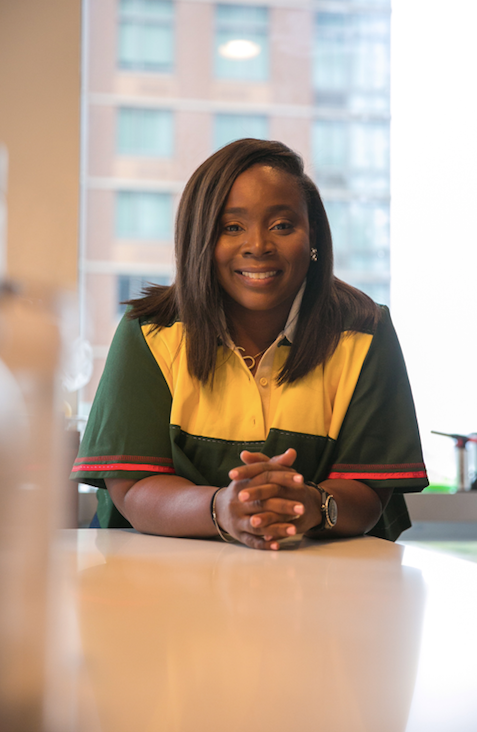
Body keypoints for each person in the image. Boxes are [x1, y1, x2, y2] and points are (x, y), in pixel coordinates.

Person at [71, 139, 428, 549]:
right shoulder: (149, 331)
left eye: (282, 225)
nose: (258, 246)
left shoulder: (366, 332)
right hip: (156, 578)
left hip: (317, 579)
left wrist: (310, 505)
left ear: (313, 235)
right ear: (200, 238)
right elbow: (132, 489)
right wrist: (223, 510)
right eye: (232, 227)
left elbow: (369, 493)